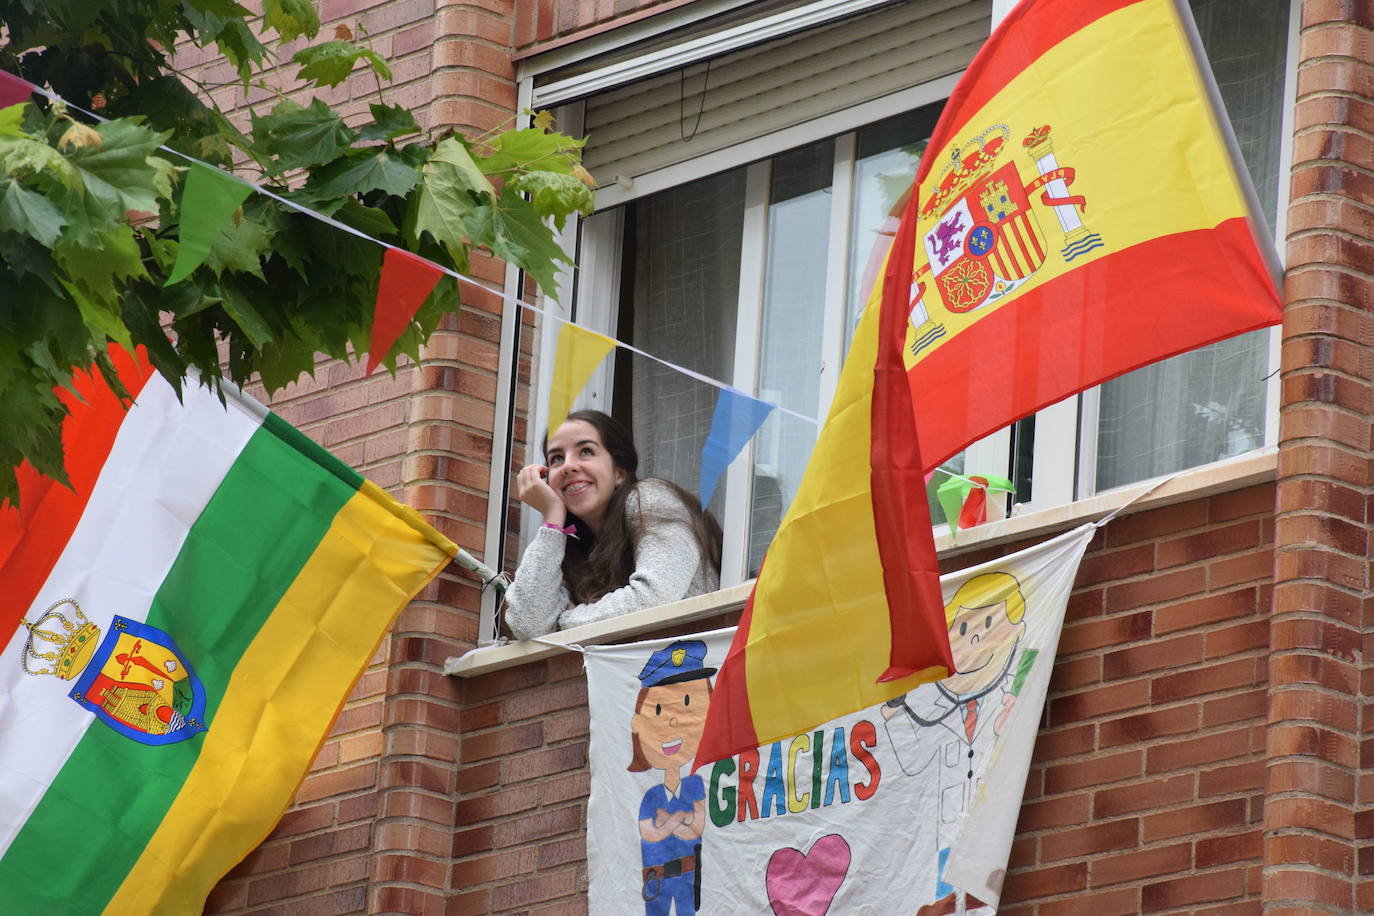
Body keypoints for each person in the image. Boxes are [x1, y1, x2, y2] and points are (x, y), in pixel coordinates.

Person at [503, 410, 722, 640]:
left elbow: (654, 598)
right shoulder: (571, 544)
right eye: (556, 458)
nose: (568, 466)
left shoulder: (649, 496)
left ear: (620, 472)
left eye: (586, 451)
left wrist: (566, 621)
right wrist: (552, 519)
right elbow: (528, 625)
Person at [628, 639, 714, 916]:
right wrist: (680, 821)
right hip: (655, 881)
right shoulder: (651, 794)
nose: (673, 722)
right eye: (659, 710)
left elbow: (695, 828)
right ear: (638, 723)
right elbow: (649, 833)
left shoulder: (694, 784)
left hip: (688, 874)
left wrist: (668, 820)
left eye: (686, 705)